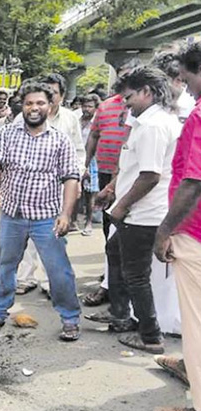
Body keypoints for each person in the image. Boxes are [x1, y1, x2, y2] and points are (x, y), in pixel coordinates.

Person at [85, 67, 180, 354]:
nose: (124, 103)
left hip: (144, 213)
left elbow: (150, 176)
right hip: (136, 210)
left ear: (146, 92)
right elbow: (133, 166)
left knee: (136, 274)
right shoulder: (147, 122)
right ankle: (119, 314)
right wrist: (111, 190)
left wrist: (121, 208)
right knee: (114, 253)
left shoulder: (152, 126)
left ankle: (150, 336)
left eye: (128, 97)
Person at [0, 82, 82, 341]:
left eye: (40, 103)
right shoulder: (7, 133)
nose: (34, 108)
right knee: (5, 266)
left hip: (46, 218)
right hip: (12, 215)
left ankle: (70, 319)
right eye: (29, 103)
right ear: (22, 107)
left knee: (59, 270)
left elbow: (71, 178)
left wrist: (66, 214)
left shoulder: (60, 140)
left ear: (50, 107)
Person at [152, 41, 201, 411]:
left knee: (197, 318)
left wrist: (165, 230)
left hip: (195, 231)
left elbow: (193, 180)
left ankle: (199, 410)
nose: (183, 82)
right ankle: (189, 365)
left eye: (186, 74)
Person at [16, 73, 85, 295]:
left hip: (58, 188)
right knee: (26, 235)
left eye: (54, 93)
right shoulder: (23, 118)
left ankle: (49, 282)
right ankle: (25, 278)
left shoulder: (69, 119)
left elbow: (78, 151)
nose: (49, 97)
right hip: (28, 188)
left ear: (61, 96)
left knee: (53, 234)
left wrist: (76, 178)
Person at [82, 59, 143, 307]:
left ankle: (123, 287)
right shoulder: (106, 106)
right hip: (109, 175)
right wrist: (85, 165)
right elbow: (94, 136)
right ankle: (111, 281)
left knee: (129, 233)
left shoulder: (145, 112)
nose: (124, 81)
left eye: (130, 76)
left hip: (135, 178)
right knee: (110, 233)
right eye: (122, 76)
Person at [77, 94, 102, 235]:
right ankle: (72, 221)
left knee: (90, 193)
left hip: (92, 159)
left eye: (90, 106)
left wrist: (86, 164)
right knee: (74, 189)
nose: (86, 109)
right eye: (84, 106)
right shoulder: (77, 120)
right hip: (76, 157)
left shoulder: (96, 123)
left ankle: (89, 222)